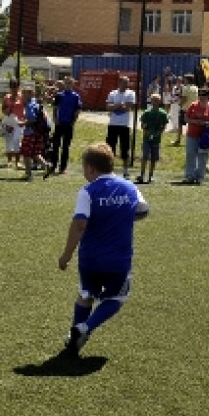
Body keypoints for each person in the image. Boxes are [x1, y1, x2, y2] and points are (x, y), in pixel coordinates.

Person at [58, 143, 149, 358]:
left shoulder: (88, 191)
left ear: (90, 168)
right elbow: (144, 210)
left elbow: (80, 224)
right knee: (116, 299)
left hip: (90, 258)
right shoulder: (129, 187)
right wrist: (121, 216)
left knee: (85, 294)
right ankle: (84, 328)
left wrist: (66, 254)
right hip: (118, 259)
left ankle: (74, 339)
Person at [183, 87, 209, 184]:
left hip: (205, 136)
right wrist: (195, 121)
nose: (201, 97)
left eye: (203, 95)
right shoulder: (193, 105)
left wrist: (206, 123)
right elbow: (186, 118)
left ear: (208, 96)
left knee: (203, 157)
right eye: (200, 95)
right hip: (192, 134)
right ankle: (190, 176)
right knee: (190, 154)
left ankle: (200, 177)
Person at [50, 75, 83, 175]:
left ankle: (62, 167)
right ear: (64, 84)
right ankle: (53, 165)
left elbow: (77, 110)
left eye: (70, 83)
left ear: (73, 84)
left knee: (65, 147)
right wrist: (55, 119)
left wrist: (73, 122)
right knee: (55, 145)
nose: (68, 85)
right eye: (66, 83)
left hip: (69, 124)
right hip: (59, 123)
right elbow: (55, 108)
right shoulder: (59, 95)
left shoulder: (75, 96)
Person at [104, 75, 136, 178]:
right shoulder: (112, 93)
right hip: (113, 124)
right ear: (119, 83)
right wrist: (119, 105)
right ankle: (109, 170)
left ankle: (125, 170)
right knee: (110, 148)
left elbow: (127, 108)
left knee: (125, 148)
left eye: (127, 82)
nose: (126, 84)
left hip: (124, 125)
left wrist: (115, 106)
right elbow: (108, 107)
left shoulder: (131, 93)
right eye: (124, 82)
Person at [18, 85, 51, 180]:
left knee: (26, 153)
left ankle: (28, 174)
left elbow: (32, 119)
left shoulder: (29, 105)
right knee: (35, 153)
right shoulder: (36, 102)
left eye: (24, 94)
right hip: (39, 133)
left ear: (29, 94)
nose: (22, 96)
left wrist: (22, 123)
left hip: (30, 132)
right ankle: (46, 165)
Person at [136, 93, 168, 184]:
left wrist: (158, 133)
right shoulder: (147, 112)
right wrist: (147, 132)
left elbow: (164, 125)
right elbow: (142, 124)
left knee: (154, 158)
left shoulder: (162, 113)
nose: (155, 102)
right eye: (153, 100)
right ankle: (142, 175)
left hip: (156, 139)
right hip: (146, 138)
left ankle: (151, 175)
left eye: (157, 101)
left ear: (159, 101)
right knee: (145, 156)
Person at [0, 79, 23, 168]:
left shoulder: (21, 97)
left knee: (17, 140)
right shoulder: (6, 97)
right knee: (8, 140)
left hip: (19, 122)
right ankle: (9, 161)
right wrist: (7, 111)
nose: (14, 89)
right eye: (12, 87)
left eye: (15, 86)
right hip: (8, 120)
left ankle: (18, 161)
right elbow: (3, 109)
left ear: (18, 87)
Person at [172, 73, 198, 147]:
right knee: (190, 125)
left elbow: (184, 99)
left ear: (187, 80)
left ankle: (178, 140)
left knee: (180, 125)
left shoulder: (185, 88)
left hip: (185, 109)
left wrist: (180, 104)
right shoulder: (196, 88)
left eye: (185, 79)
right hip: (193, 109)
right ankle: (190, 141)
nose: (184, 80)